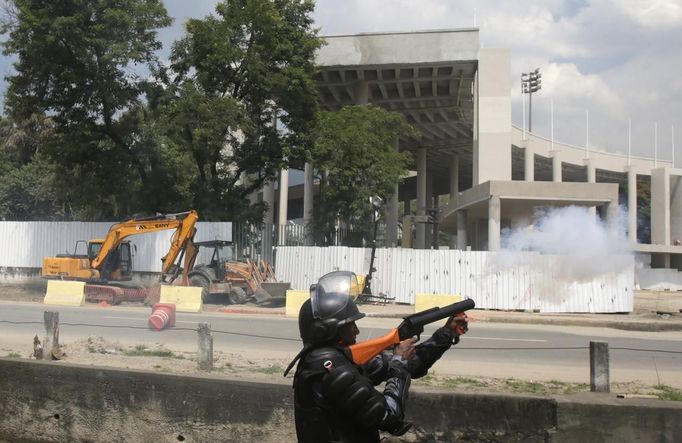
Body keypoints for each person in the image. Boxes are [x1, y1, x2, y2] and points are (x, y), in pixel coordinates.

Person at [284, 271, 468, 443]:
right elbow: (390, 416)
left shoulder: (332, 360)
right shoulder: (332, 370)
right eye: (350, 324)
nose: (356, 330)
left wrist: (446, 334)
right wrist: (399, 364)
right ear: (331, 330)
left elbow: (414, 364)